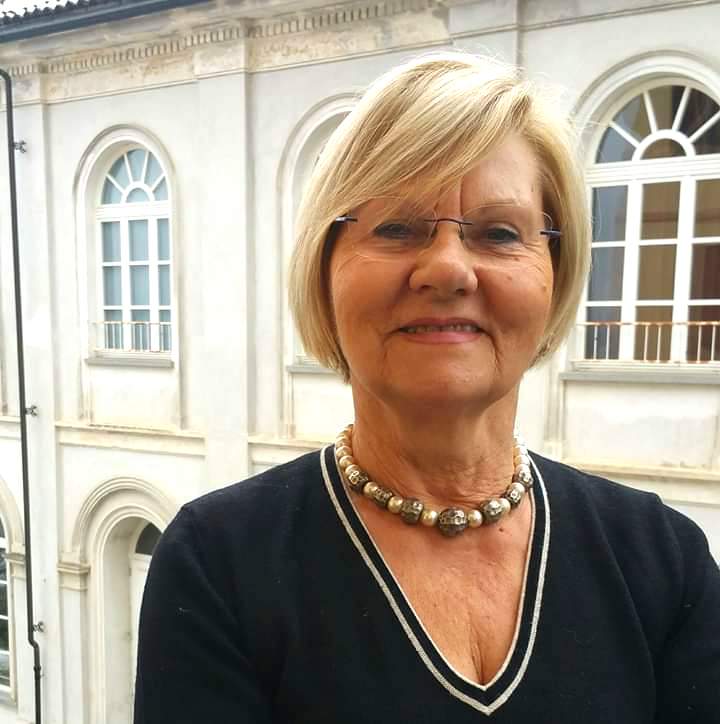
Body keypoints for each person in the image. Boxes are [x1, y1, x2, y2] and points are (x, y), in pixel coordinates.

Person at [133, 53, 720, 723]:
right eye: (397, 228)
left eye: (499, 233)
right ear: (323, 269)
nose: (447, 269)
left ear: (556, 274)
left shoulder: (663, 562)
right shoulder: (218, 564)